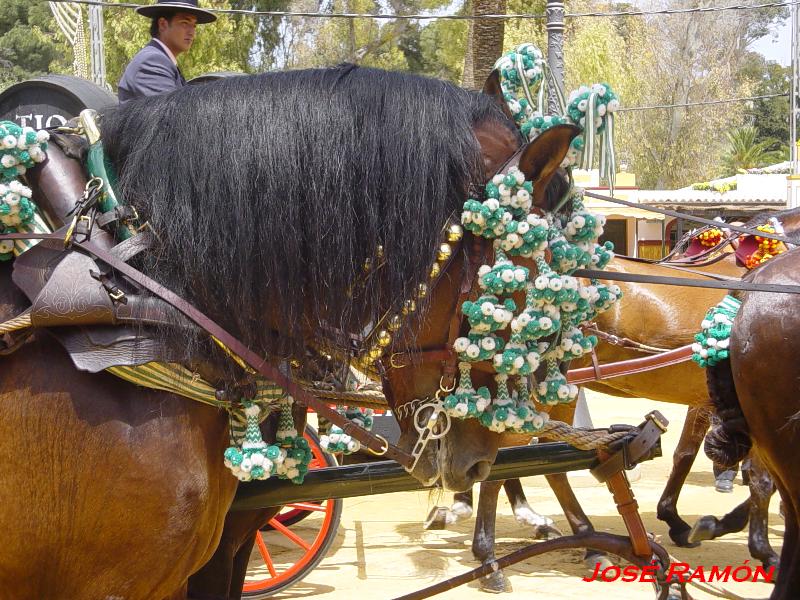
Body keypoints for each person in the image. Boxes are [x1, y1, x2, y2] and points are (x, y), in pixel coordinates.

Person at [117, 0, 216, 105]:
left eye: (194, 26)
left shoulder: (164, 61)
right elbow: (174, 116)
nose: (191, 32)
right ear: (163, 24)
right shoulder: (152, 62)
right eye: (185, 23)